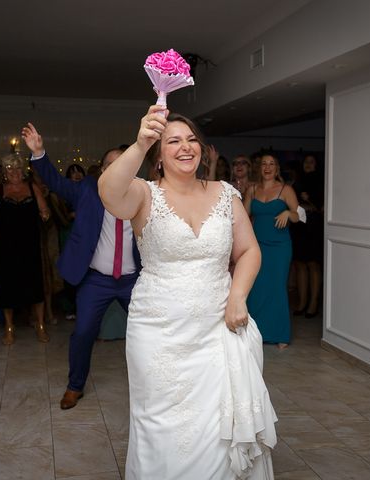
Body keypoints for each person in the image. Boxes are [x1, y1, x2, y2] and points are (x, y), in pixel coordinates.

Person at [98, 105, 277, 479]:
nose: (185, 147)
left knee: (216, 424)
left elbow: (248, 251)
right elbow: (109, 192)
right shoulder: (143, 194)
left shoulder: (225, 193)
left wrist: (237, 296)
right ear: (158, 155)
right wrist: (139, 142)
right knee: (161, 424)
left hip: (218, 328)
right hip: (159, 333)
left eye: (192, 139)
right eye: (173, 141)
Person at [22, 123, 140, 410]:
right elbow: (57, 183)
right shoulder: (89, 190)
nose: (116, 168)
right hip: (96, 280)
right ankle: (75, 386)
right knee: (84, 331)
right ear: (101, 170)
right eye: (110, 164)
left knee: (150, 333)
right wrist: (39, 153)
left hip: (134, 280)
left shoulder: (142, 192)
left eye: (121, 163)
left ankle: (157, 387)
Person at [0, 154, 51, 345]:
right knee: (7, 287)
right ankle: (9, 327)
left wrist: (45, 213)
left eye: (18, 168)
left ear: (23, 171)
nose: (14, 172)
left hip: (30, 245)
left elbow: (45, 210)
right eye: (10, 169)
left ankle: (40, 325)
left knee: (35, 285)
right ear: (4, 172)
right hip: (7, 247)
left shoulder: (32, 188)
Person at [244, 153, 299, 349]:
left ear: (277, 169)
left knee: (277, 287)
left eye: (272, 164)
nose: (267, 167)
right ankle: (255, 333)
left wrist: (287, 212)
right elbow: (244, 217)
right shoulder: (251, 189)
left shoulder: (286, 190)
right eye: (264, 164)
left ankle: (280, 333)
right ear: (260, 168)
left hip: (280, 247)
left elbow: (299, 215)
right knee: (256, 287)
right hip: (257, 246)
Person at [291, 154, 324, 317]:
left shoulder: (323, 181)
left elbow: (322, 207)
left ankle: (313, 303)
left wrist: (309, 199)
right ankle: (302, 302)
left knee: (313, 264)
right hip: (299, 225)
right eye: (306, 161)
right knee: (299, 264)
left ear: (317, 165)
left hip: (314, 224)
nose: (308, 165)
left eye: (311, 162)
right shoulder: (297, 182)